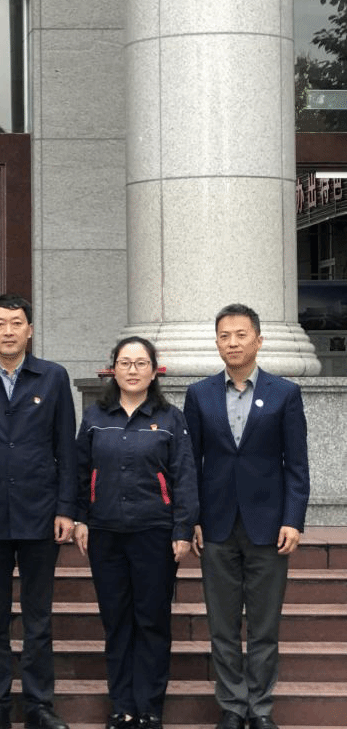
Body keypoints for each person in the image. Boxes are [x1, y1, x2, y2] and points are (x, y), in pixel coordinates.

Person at [0, 293, 76, 729]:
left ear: (30, 330)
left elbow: (66, 448)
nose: (8, 331)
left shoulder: (53, 377)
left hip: (41, 513)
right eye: (0, 323)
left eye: (16, 322)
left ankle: (39, 703)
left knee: (38, 618)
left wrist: (66, 508)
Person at [184, 304, 310, 729]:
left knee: (263, 625)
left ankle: (260, 708)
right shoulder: (199, 394)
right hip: (215, 525)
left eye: (241, 335)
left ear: (258, 340)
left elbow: (297, 465)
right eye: (224, 336)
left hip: (269, 526)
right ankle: (232, 707)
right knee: (221, 625)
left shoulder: (284, 393)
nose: (232, 343)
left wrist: (293, 519)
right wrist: (191, 517)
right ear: (217, 342)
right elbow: (190, 463)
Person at [74, 337, 197, 729]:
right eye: (125, 362)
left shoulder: (170, 418)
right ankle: (122, 705)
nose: (132, 370)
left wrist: (182, 527)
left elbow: (184, 476)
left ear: (153, 370)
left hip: (154, 533)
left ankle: (149, 707)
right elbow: (79, 473)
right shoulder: (95, 416)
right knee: (116, 621)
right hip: (105, 533)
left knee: (152, 620)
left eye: (141, 363)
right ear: (113, 369)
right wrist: (79, 518)